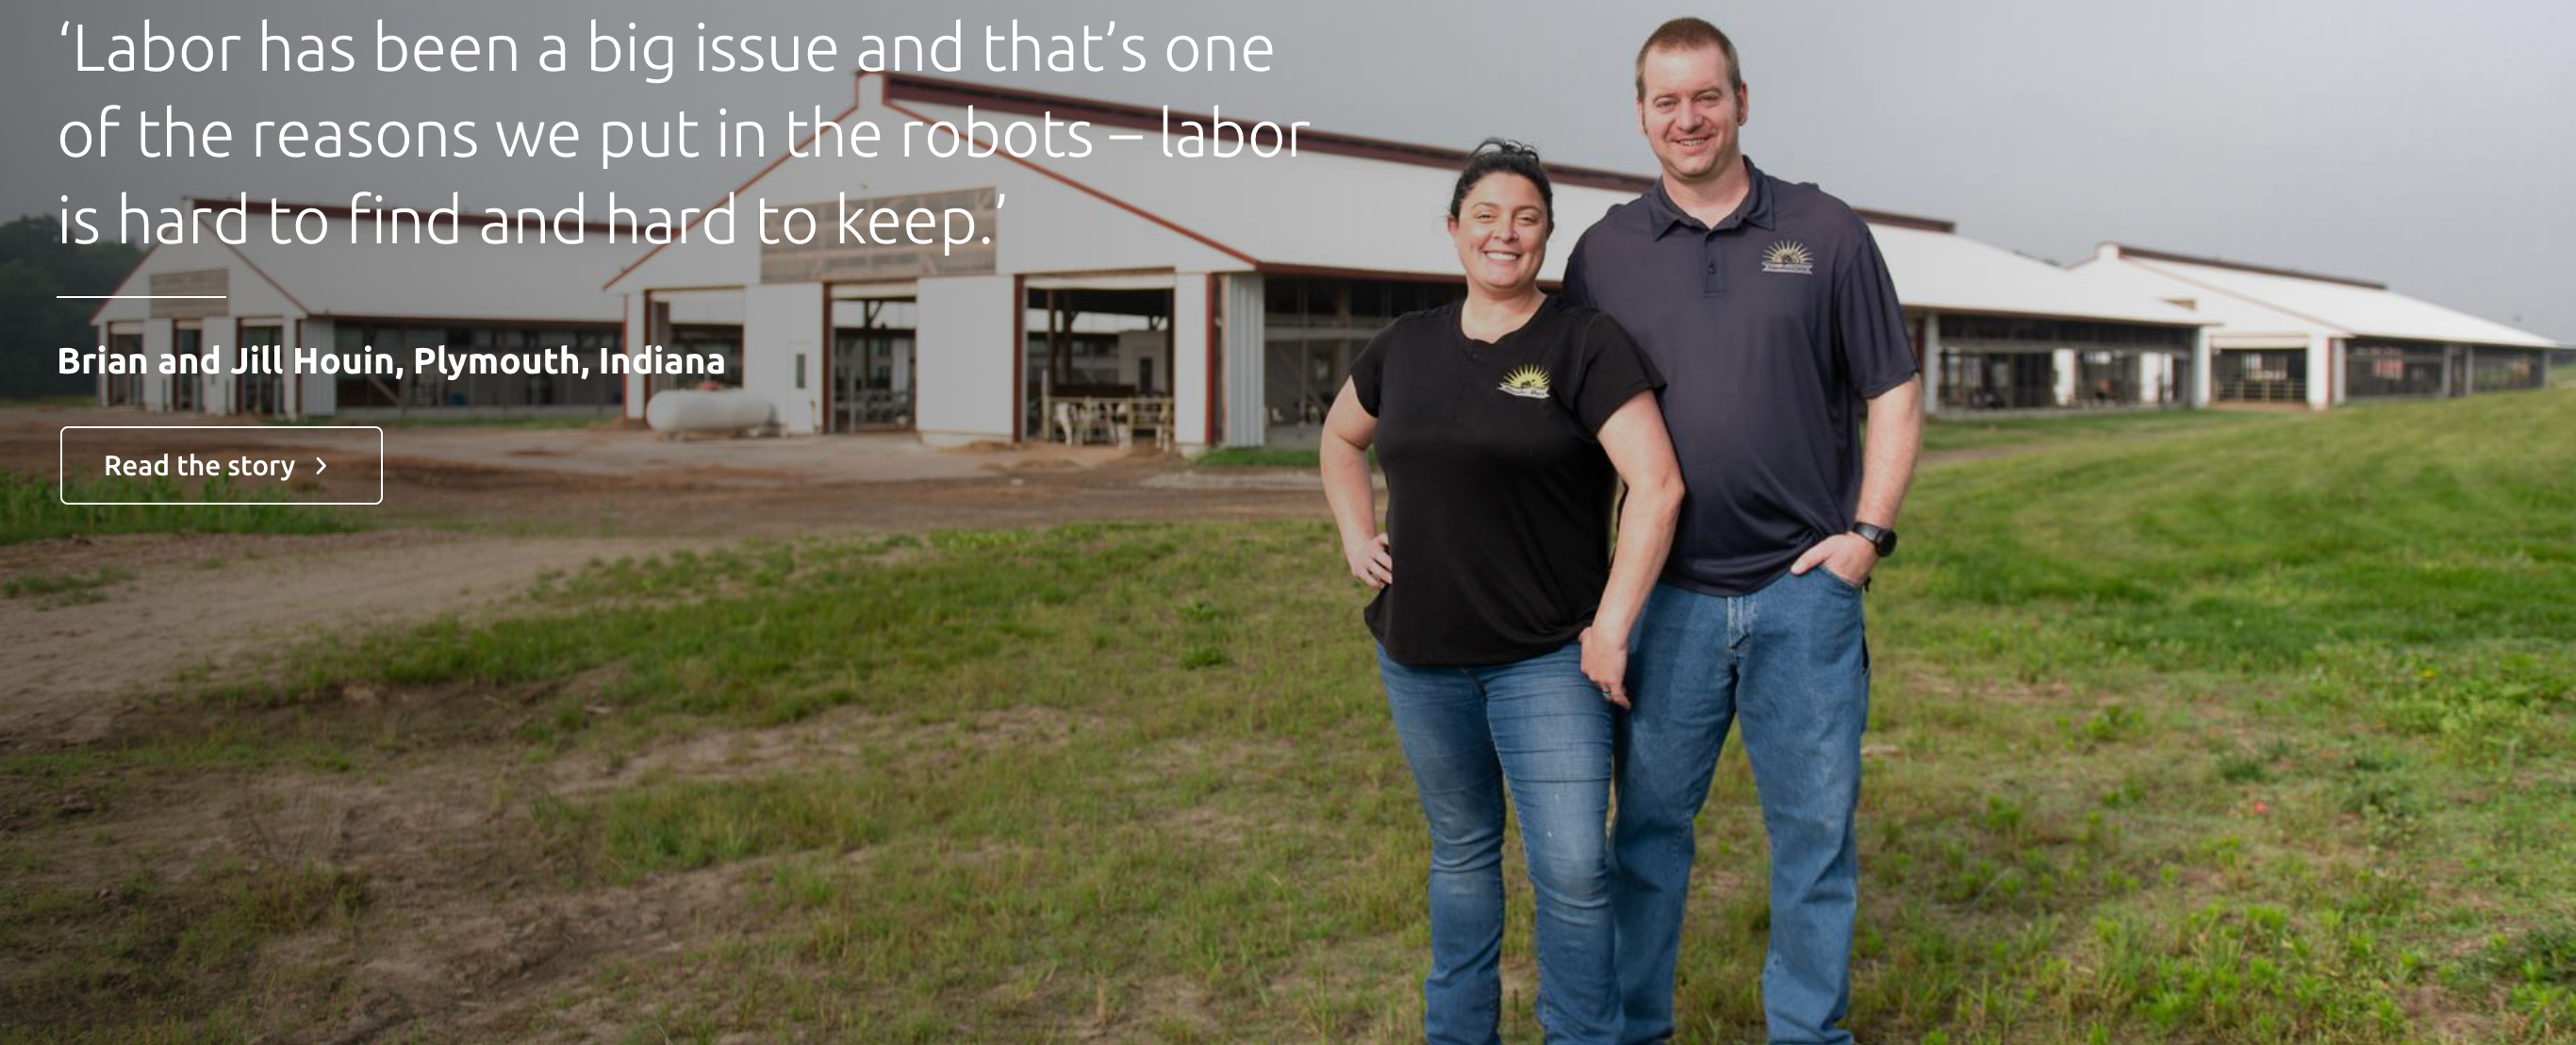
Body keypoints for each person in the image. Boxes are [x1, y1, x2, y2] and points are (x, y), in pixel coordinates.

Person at [1561, 18, 1926, 1045]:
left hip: (1800, 594)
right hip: (1665, 598)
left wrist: (1866, 535)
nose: (1687, 118)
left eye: (1705, 96)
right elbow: (1575, 427)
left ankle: (1806, 1032)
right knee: (1642, 836)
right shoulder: (1603, 255)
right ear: (1640, 117)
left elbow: (1892, 392)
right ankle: (1635, 1027)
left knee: (1812, 838)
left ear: (1741, 101)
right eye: (1666, 101)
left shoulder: (1825, 231)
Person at [1321, 139, 1684, 1045]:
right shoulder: (1403, 346)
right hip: (1420, 657)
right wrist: (1356, 534)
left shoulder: (1583, 342)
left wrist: (1610, 625)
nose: (1504, 234)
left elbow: (1660, 484)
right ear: (1454, 231)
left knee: (1571, 871)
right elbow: (1339, 439)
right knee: (1462, 858)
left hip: (1548, 662)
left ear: (1547, 236)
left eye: (1526, 218)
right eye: (1485, 216)